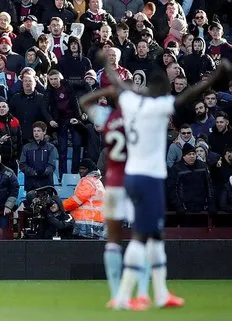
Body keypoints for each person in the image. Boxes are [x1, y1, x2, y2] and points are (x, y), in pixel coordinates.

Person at [102, 51, 231, 309]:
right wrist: (217, 75)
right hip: (150, 179)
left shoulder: (130, 103)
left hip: (131, 176)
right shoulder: (159, 106)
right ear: (163, 91)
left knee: (156, 236)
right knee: (141, 236)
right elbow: (191, 94)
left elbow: (119, 84)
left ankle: (160, 294)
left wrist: (106, 63)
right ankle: (123, 297)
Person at [79, 85, 148, 307]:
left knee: (112, 240)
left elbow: (85, 102)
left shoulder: (108, 117)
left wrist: (104, 92)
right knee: (141, 239)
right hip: (134, 184)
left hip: (114, 185)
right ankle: (142, 293)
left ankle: (117, 294)